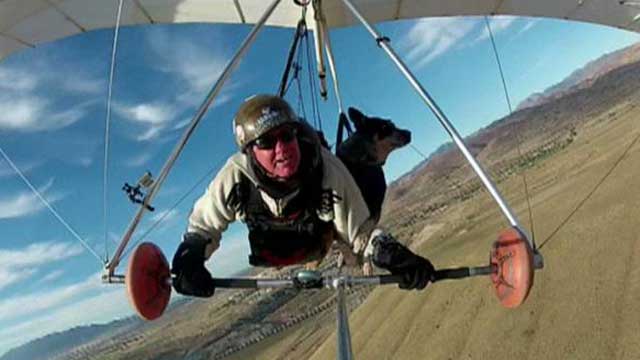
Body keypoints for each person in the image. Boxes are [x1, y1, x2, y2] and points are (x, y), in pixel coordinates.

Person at [170, 94, 435, 297]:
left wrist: (394, 255)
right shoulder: (237, 176)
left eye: (287, 135)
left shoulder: (325, 168)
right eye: (266, 142)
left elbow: (360, 233)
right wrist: (190, 257)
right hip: (273, 247)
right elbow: (203, 226)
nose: (282, 148)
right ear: (250, 150)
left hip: (314, 240)